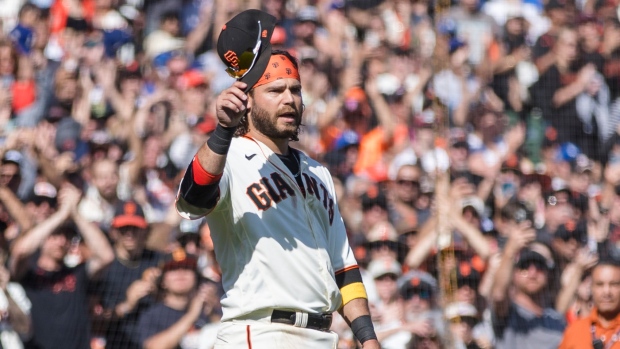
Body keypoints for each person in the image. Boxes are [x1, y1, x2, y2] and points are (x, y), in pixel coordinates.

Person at [175, 9, 379, 349]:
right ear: (248, 99)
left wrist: (368, 339)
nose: (289, 99)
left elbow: (343, 266)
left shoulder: (319, 172)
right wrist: (222, 132)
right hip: (261, 332)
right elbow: (191, 201)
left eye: (295, 90)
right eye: (275, 90)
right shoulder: (231, 155)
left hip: (322, 337)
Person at [9, 183, 114, 349]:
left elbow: (106, 256)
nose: (62, 241)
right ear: (44, 236)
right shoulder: (29, 273)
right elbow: (20, 252)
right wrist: (61, 214)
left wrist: (75, 213)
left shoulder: (77, 273)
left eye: (67, 236)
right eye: (56, 235)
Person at [136, 249, 211, 349]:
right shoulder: (151, 315)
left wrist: (214, 311)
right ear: (163, 281)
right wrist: (191, 315)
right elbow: (153, 347)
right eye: (173, 268)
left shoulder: (207, 309)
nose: (180, 273)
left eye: (187, 267)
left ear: (196, 277)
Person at [559, 260, 620, 348]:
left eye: (614, 284)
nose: (606, 292)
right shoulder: (575, 330)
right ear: (591, 288)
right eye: (600, 284)